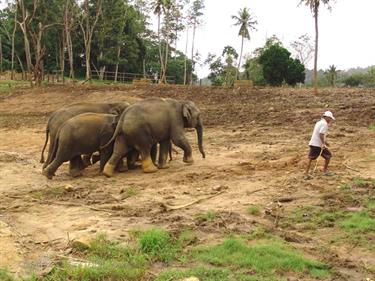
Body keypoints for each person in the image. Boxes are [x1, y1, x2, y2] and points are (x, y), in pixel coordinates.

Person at [305, 111, 335, 176]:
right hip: (318, 145)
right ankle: (325, 171)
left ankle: (306, 173)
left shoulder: (319, 122)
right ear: (327, 117)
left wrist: (325, 142)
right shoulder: (324, 124)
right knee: (328, 156)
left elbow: (318, 134)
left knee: (310, 158)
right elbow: (321, 134)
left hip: (312, 143)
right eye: (330, 118)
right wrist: (323, 144)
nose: (330, 120)